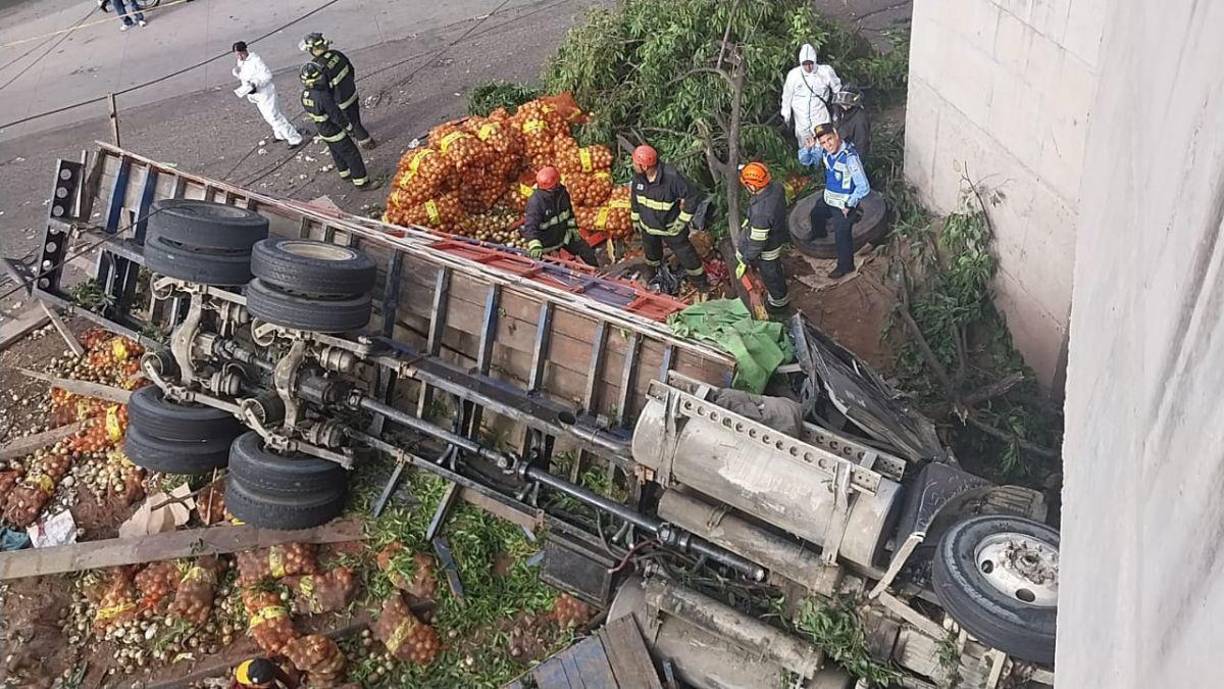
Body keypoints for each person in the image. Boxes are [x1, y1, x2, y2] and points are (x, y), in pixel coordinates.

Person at [629, 144, 708, 290]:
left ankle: (701, 283)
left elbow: (692, 196)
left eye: (635, 163)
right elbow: (634, 197)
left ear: (645, 166)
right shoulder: (638, 178)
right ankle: (653, 277)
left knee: (686, 255)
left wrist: (682, 221)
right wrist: (635, 217)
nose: (633, 165)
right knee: (651, 255)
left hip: (670, 227)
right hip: (648, 227)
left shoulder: (671, 178)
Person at [798, 123, 871, 279]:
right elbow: (806, 162)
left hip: (845, 203)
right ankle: (819, 232)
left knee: (842, 235)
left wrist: (849, 204)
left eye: (829, 139)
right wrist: (808, 149)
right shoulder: (825, 153)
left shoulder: (850, 158)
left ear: (836, 135)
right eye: (823, 142)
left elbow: (864, 186)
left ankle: (846, 267)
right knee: (816, 214)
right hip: (829, 197)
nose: (827, 145)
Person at [299, 63, 380, 191]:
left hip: (323, 131)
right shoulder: (323, 96)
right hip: (334, 131)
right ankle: (362, 183)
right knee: (352, 154)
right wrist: (349, 128)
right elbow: (336, 116)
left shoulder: (304, 95)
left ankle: (345, 174)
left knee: (336, 153)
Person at [301, 33, 375, 149]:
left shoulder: (318, 67)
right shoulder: (337, 54)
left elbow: (323, 90)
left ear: (312, 49)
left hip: (341, 101)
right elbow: (350, 70)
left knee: (353, 123)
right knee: (355, 116)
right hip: (352, 92)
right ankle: (359, 133)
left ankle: (366, 142)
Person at [736, 162, 790, 313]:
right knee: (773, 269)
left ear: (753, 186)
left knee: (771, 274)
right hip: (777, 233)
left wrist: (746, 259)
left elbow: (757, 243)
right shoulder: (776, 188)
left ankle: (779, 304)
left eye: (747, 185)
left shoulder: (762, 213)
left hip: (768, 248)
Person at [521, 167, 599, 266]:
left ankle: (598, 273)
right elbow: (530, 226)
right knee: (551, 272)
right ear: (553, 185)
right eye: (558, 181)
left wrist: (572, 228)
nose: (560, 182)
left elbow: (569, 213)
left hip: (564, 236)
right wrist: (534, 243)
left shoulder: (562, 193)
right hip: (547, 244)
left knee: (585, 251)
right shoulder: (536, 202)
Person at [231, 42, 302, 149]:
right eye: (237, 55)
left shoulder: (256, 61)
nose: (240, 57)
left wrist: (256, 83)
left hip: (265, 93)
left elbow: (267, 75)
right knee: (268, 116)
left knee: (274, 116)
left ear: (246, 51)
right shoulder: (241, 62)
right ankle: (280, 134)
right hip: (255, 95)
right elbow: (244, 75)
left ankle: (294, 138)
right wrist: (237, 73)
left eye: (241, 54)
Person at [780, 43, 841, 147]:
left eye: (811, 63)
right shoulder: (794, 75)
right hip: (801, 119)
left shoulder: (825, 72)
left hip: (820, 116)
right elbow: (787, 97)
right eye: (805, 64)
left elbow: (837, 90)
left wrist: (837, 111)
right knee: (805, 147)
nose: (808, 67)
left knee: (823, 144)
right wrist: (786, 116)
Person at [832, 85, 871, 161]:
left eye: (847, 104)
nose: (844, 106)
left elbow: (861, 145)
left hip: (851, 156)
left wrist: (857, 163)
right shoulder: (839, 110)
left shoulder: (860, 119)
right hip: (837, 152)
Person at [232, 657, 297, 689]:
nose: (273, 680)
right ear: (255, 685)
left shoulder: (266, 667)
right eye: (270, 682)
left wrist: (292, 686)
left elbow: (279, 673)